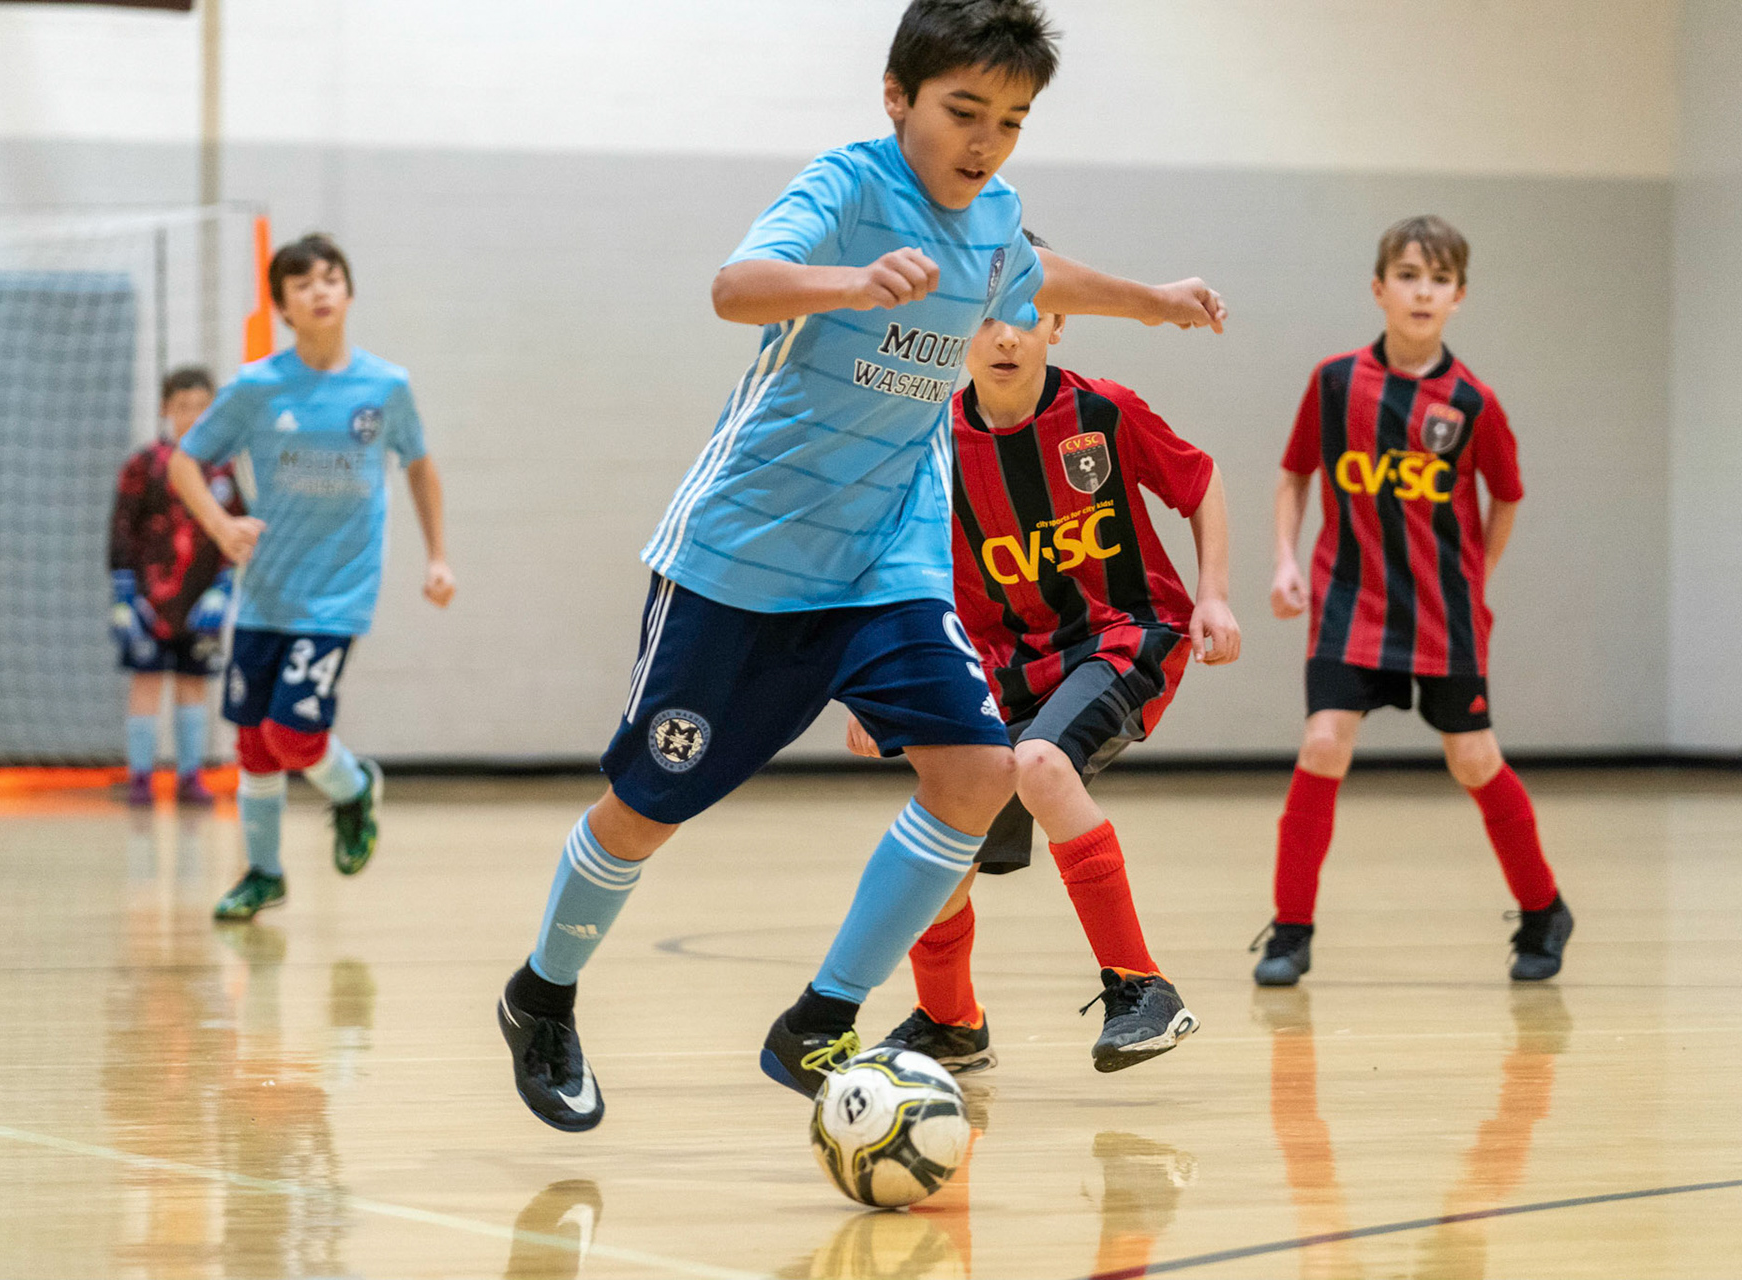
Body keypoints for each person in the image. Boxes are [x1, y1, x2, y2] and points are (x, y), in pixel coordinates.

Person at [497, 0, 1229, 1134]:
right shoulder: (844, 187)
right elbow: (734, 287)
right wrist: (846, 284)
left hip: (888, 559)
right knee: (645, 807)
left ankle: (818, 1019)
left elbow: (1034, 271)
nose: (983, 142)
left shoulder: (993, 222)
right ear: (899, 97)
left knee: (978, 775)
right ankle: (541, 992)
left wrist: (1155, 301)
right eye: (962, 112)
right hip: (743, 558)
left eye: (1012, 121)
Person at [852, 250, 1239, 1074]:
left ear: (1058, 323)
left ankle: (1143, 987)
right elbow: (899, 572)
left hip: (1122, 635)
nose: (1004, 336)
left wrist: (1213, 595)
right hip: (1001, 666)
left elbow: (1200, 483)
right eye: (985, 317)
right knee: (938, 828)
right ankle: (951, 1021)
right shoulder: (933, 448)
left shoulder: (1105, 413)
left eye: (1025, 314)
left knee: (1040, 762)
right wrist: (870, 686)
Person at [1254, 215, 1571, 987]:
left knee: (1472, 759)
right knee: (1324, 745)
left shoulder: (1473, 402)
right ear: (1379, 289)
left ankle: (1543, 909)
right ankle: (1290, 932)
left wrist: (1476, 579)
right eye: (1407, 274)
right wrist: (1285, 561)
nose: (1421, 290)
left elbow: (1509, 496)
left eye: (1438, 278)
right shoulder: (1334, 383)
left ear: (1459, 296)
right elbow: (1295, 473)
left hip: (1442, 614)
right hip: (1346, 602)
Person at [167, 233, 456, 922]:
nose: (320, 290)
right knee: (252, 743)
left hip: (337, 595)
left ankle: (354, 789)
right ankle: (264, 873)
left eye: (331, 278)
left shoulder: (386, 386)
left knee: (292, 735)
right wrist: (220, 526)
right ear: (284, 306)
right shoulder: (256, 386)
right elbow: (185, 461)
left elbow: (419, 464)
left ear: (348, 293)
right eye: (303, 284)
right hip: (265, 590)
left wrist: (437, 555)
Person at [108, 367, 238, 806]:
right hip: (150, 600)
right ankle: (141, 777)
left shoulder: (224, 468)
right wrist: (124, 594)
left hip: (200, 602)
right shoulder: (144, 465)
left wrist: (223, 588)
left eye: (201, 406)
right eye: (183, 406)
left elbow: (236, 531)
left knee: (193, 683)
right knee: (146, 681)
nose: (192, 415)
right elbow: (122, 529)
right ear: (166, 409)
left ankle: (189, 777)